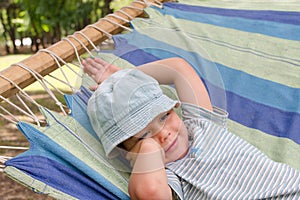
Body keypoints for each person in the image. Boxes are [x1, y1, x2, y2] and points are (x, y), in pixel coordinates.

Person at [83, 57, 300, 200]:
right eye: (144, 136)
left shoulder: (202, 126)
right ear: (127, 155)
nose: (163, 134)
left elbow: (178, 69)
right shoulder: (170, 178)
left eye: (164, 116)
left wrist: (126, 79)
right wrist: (149, 150)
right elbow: (148, 192)